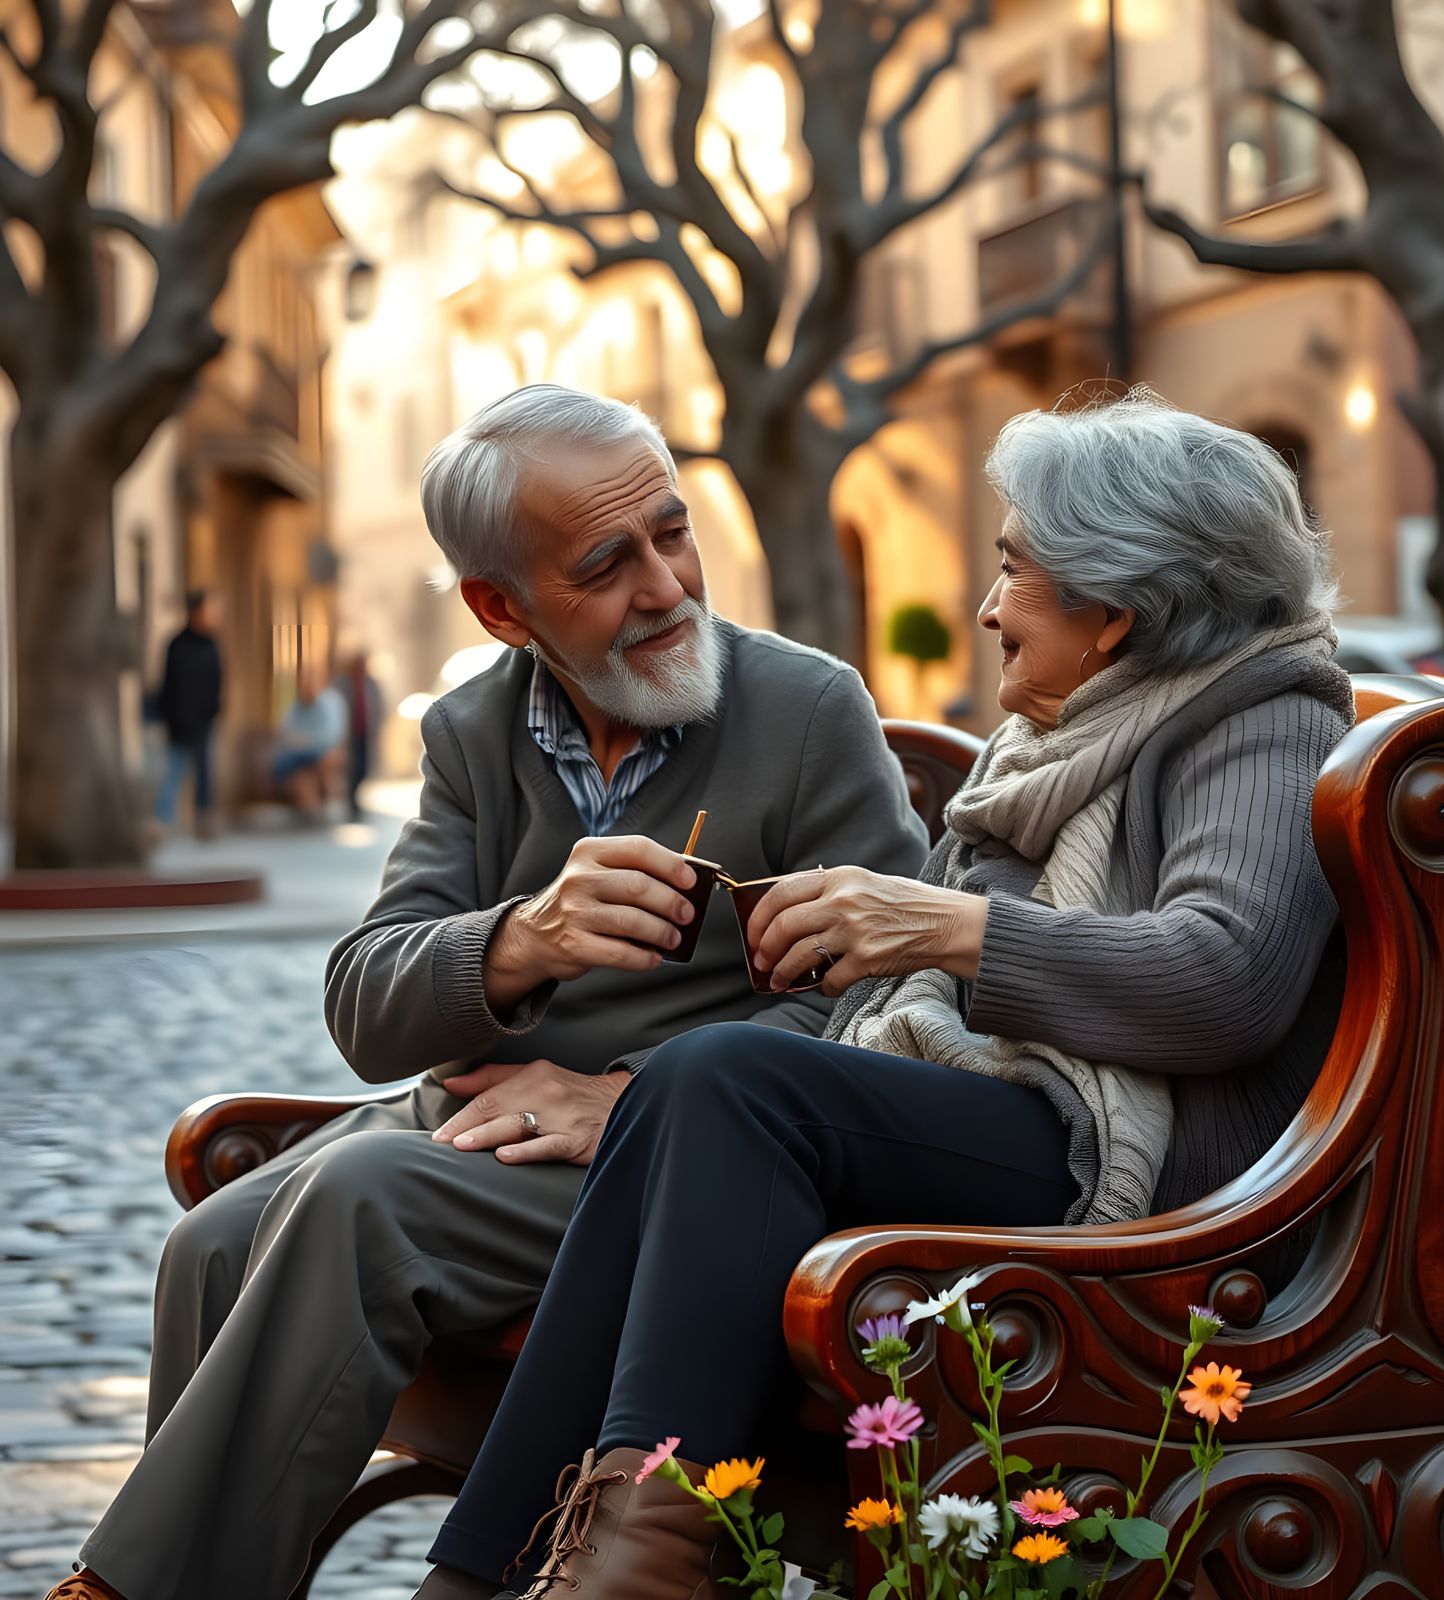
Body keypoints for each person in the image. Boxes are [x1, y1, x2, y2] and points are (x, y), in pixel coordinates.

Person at [402, 390, 1357, 1600]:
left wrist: (944, 925)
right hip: (1041, 1117)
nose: (987, 605)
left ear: (1114, 610)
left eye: (1014, 571)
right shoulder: (1059, 737)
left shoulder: (1261, 714)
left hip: (1162, 1174)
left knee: (722, 1078)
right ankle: (504, 1572)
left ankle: (636, 1561)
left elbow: (1227, 980)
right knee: (693, 1094)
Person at [47, 386, 927, 1600]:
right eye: (607, 563)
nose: (667, 585)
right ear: (500, 607)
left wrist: (625, 1095)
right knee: (211, 1239)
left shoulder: (807, 709)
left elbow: (891, 1002)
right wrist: (521, 939)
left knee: (363, 1195)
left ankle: (124, 1591)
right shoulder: (474, 730)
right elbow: (364, 1004)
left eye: (671, 533)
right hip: (480, 1141)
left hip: (683, 1176)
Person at [151, 590, 223, 837]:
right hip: (179, 723)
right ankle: (161, 823)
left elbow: (217, 682)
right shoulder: (177, 644)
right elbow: (168, 685)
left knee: (205, 774)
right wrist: (171, 717)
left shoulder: (211, 644)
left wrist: (213, 711)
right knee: (173, 770)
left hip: (204, 722)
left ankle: (204, 822)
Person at [271, 665, 349, 818]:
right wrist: (302, 741)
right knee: (299, 775)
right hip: (300, 755)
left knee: (325, 762)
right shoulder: (297, 706)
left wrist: (303, 740)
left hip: (321, 752)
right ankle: (311, 811)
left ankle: (323, 804)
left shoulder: (330, 702)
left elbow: (329, 737)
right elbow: (285, 732)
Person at [336, 650, 383, 819]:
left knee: (363, 767)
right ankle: (351, 801)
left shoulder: (371, 683)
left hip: (365, 733)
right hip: (349, 734)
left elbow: (379, 706)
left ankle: (355, 798)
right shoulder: (342, 683)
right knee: (351, 768)